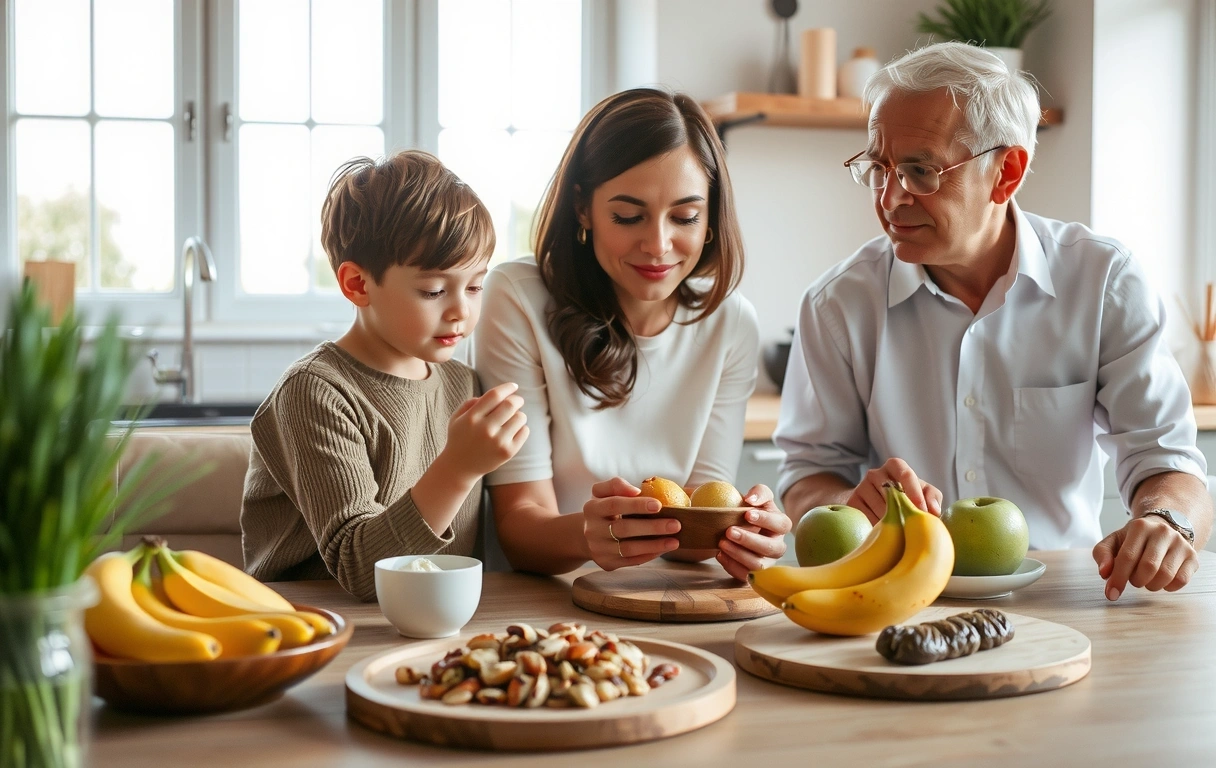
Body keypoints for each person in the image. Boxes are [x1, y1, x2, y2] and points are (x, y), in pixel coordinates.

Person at [775, 41, 1212, 602]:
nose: (889, 199)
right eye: (878, 168)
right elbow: (808, 474)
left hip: (1072, 599)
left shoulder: (1103, 280)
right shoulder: (837, 305)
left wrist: (1169, 524)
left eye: (920, 171)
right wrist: (844, 505)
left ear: (1006, 173)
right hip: (897, 602)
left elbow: (1169, 462)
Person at [473, 88, 790, 582]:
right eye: (628, 216)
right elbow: (519, 529)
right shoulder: (518, 297)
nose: (658, 245)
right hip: (542, 600)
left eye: (685, 217)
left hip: (660, 593)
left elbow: (692, 534)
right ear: (583, 208)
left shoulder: (731, 323)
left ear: (710, 218)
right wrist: (587, 534)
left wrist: (738, 531)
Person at [241, 150, 529, 600]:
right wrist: (457, 468)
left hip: (425, 625)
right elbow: (360, 571)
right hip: (314, 627)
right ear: (357, 284)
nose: (461, 310)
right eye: (433, 290)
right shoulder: (315, 392)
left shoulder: (462, 384)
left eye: (474, 286)